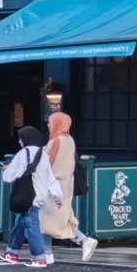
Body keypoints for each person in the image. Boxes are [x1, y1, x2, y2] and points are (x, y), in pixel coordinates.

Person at [1, 124, 62, 267]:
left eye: (21, 138)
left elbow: (8, 177)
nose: (19, 141)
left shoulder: (23, 154)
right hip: (39, 196)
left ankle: (39, 257)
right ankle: (12, 252)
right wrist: (58, 198)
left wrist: (7, 169)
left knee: (31, 225)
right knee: (20, 223)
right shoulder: (44, 155)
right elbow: (50, 178)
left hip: (28, 197)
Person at [42, 111, 98, 262]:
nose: (48, 124)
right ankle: (82, 240)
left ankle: (47, 254)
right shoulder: (70, 140)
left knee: (46, 220)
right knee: (60, 219)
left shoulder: (54, 141)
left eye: (51, 122)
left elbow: (46, 163)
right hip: (66, 186)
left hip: (52, 186)